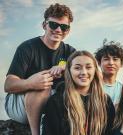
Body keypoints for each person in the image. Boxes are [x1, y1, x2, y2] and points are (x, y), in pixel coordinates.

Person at [4, 3, 75, 135]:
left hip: (49, 104)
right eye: (54, 25)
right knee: (43, 83)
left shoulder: (70, 52)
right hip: (19, 104)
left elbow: (88, 70)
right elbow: (8, 85)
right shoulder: (28, 48)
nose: (59, 30)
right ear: (44, 25)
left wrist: (66, 66)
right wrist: (31, 83)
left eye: (64, 27)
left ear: (68, 30)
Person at [42, 51, 115, 135]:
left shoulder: (105, 101)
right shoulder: (57, 101)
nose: (83, 72)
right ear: (69, 71)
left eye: (88, 67)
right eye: (77, 68)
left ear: (95, 70)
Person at [95, 39, 123, 106]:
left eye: (115, 59)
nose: (111, 63)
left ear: (121, 63)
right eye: (106, 59)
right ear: (99, 63)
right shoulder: (93, 85)